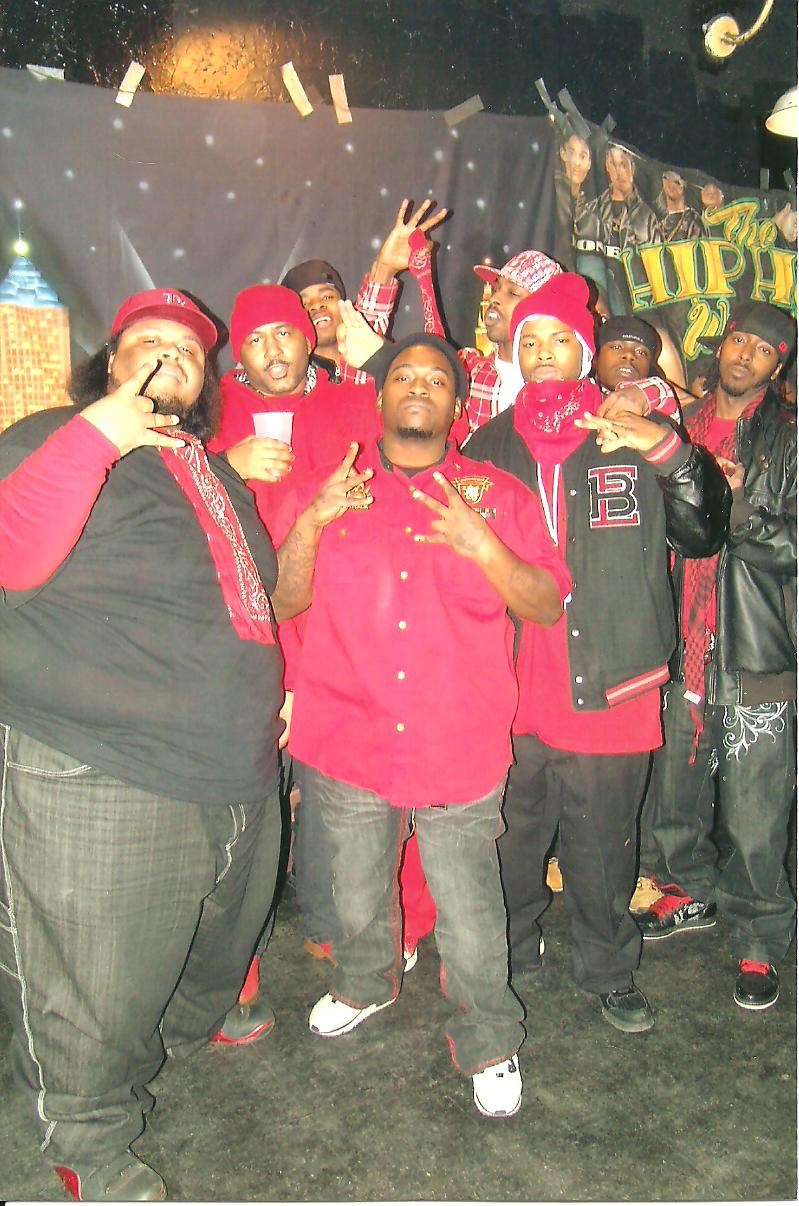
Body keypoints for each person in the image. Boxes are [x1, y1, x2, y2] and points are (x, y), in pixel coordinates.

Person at [0, 289, 291, 1200]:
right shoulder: (52, 435)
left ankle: (155, 1043)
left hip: (233, 765)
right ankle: (85, 1141)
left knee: (208, 949)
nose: (171, 357)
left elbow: (247, 600)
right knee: (90, 980)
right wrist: (99, 432)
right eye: (148, 343)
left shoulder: (209, 472)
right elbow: (9, 553)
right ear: (108, 363)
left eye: (190, 351)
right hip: (103, 762)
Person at [272, 332, 572, 1118]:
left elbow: (544, 603)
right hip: (348, 729)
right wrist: (311, 522)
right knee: (356, 887)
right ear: (380, 397)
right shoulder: (333, 486)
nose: (416, 386)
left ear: (456, 404)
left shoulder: (496, 496)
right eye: (402, 375)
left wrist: (484, 548)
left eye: (435, 379)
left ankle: (489, 1037)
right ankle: (365, 982)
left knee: (468, 905)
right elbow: (282, 601)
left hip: (456, 736)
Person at [466, 271, 730, 1033]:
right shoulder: (485, 444)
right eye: (531, 341)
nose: (545, 352)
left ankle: (608, 967)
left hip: (613, 674)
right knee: (511, 839)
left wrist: (666, 451)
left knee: (605, 846)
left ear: (583, 352)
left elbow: (703, 532)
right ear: (515, 352)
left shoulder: (633, 427)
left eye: (560, 340)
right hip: (512, 681)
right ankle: (510, 955)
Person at [636, 302, 796, 1012]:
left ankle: (759, 935)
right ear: (723, 342)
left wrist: (737, 507)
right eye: (740, 340)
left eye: (764, 350)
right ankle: (685, 888)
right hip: (677, 637)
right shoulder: (678, 423)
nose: (745, 355)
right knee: (674, 784)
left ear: (777, 365)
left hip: (753, 645)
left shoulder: (787, 437)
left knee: (756, 810)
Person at [281, 199, 447, 384]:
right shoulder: (288, 382)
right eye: (304, 303)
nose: (317, 305)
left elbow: (365, 351)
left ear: (347, 306)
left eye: (327, 296)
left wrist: (385, 269)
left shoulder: (390, 369)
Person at [656, 170, 704, 242]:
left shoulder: (693, 219)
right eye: (666, 179)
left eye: (676, 182)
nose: (671, 185)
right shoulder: (659, 225)